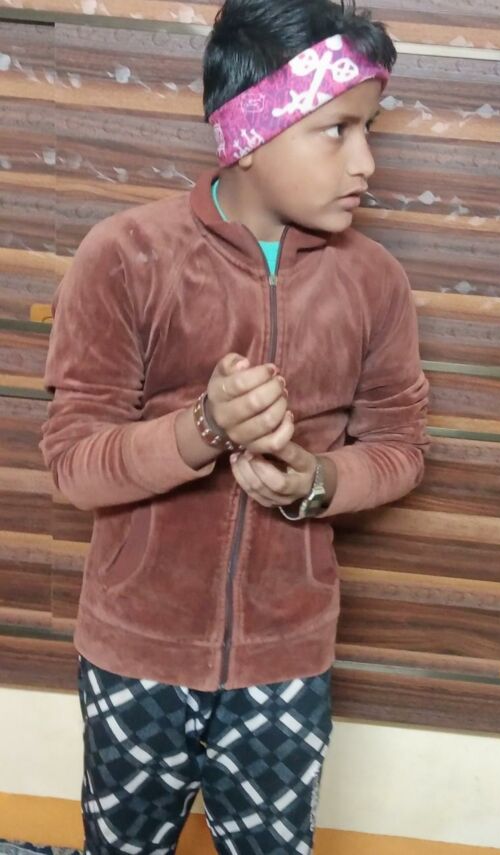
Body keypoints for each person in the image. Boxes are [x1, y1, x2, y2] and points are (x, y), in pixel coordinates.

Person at [39, 0, 430, 852]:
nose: (366, 161)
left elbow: (400, 447)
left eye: (369, 130)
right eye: (337, 130)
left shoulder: (376, 282)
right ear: (251, 134)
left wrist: (316, 480)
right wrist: (202, 429)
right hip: (135, 652)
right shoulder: (124, 255)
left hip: (286, 662)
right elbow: (73, 463)